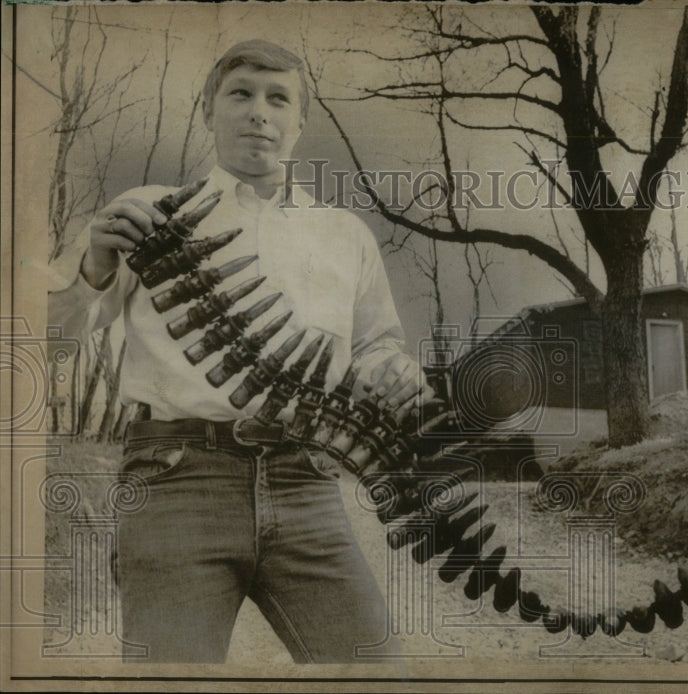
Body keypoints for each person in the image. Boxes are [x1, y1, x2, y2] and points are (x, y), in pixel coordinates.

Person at [48, 39, 427, 663]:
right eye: (241, 94)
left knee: (375, 672)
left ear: (300, 122)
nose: (259, 113)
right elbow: (55, 336)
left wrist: (395, 372)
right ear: (207, 110)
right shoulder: (148, 213)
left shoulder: (343, 234)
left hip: (306, 481)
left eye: (279, 99)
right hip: (177, 479)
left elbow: (378, 346)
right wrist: (93, 264)